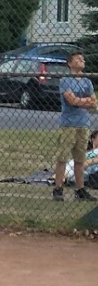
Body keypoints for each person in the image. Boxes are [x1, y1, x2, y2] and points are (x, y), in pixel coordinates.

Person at [54, 50, 95, 202]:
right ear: (70, 63)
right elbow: (71, 101)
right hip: (68, 125)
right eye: (78, 59)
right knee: (63, 157)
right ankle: (58, 188)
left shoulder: (87, 81)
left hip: (83, 124)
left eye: (82, 59)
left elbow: (93, 102)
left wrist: (81, 101)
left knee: (80, 159)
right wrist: (84, 101)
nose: (81, 61)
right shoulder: (65, 80)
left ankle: (80, 189)